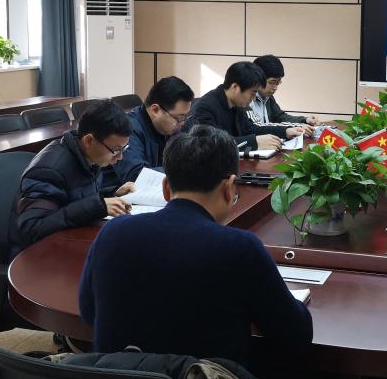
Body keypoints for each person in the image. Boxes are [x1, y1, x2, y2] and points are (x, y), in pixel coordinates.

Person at [79, 125, 313, 365]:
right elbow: (296, 335)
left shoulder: (113, 232)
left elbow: (88, 312)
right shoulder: (239, 248)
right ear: (229, 187)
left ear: (166, 188)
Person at [11, 99, 135, 257]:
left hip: (68, 243)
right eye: (116, 150)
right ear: (89, 140)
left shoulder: (90, 156)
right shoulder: (49, 170)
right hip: (37, 258)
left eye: (124, 149)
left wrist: (112, 193)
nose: (120, 157)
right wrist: (97, 206)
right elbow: (33, 229)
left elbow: (75, 197)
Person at [186, 61, 305, 150]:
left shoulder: (237, 103)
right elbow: (211, 144)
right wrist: (254, 142)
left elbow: (250, 129)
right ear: (235, 87)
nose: (253, 98)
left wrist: (285, 131)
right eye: (252, 93)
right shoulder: (205, 107)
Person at [101, 76, 194, 189]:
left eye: (186, 117)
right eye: (179, 118)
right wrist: (184, 171)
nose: (182, 123)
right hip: (117, 193)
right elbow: (136, 175)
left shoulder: (170, 128)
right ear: (155, 110)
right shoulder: (128, 129)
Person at [248, 55, 319, 135]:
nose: (275, 88)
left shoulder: (268, 96)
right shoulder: (247, 98)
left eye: (278, 83)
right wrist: (296, 126)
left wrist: (305, 120)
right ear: (258, 78)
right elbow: (256, 127)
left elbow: (280, 117)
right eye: (272, 82)